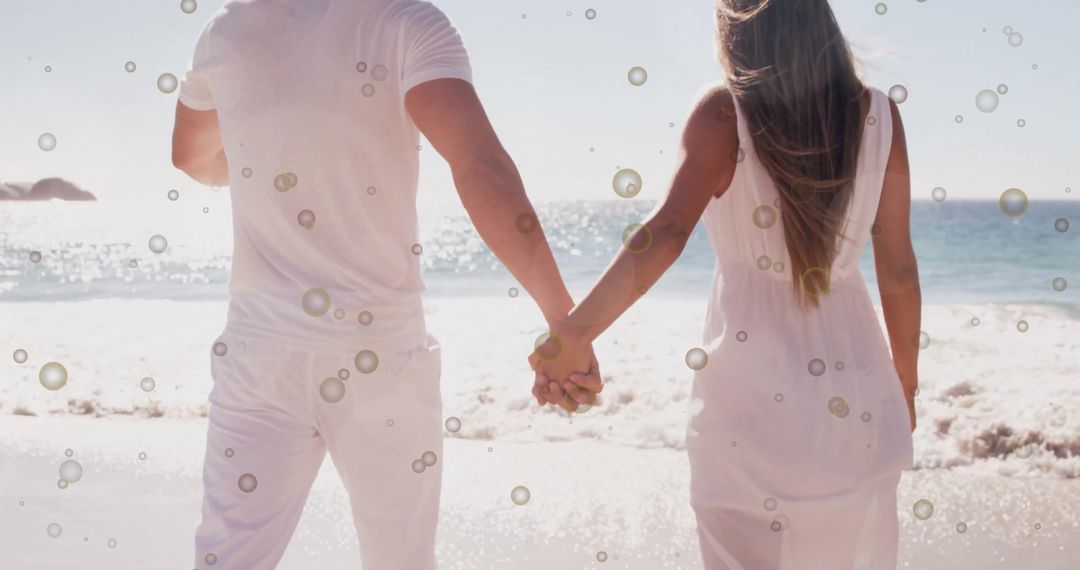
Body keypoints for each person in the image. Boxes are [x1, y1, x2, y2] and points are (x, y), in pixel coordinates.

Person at [171, 1, 595, 567]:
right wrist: (565, 323)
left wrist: (270, 152)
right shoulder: (405, 22)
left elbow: (191, 159)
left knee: (226, 560)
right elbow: (480, 168)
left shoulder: (227, 30)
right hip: (380, 360)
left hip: (259, 357)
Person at [531, 0, 919, 567]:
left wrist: (570, 336)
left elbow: (663, 235)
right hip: (856, 406)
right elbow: (899, 269)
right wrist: (903, 386)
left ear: (735, 25)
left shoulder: (723, 115)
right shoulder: (880, 115)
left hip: (746, 414)